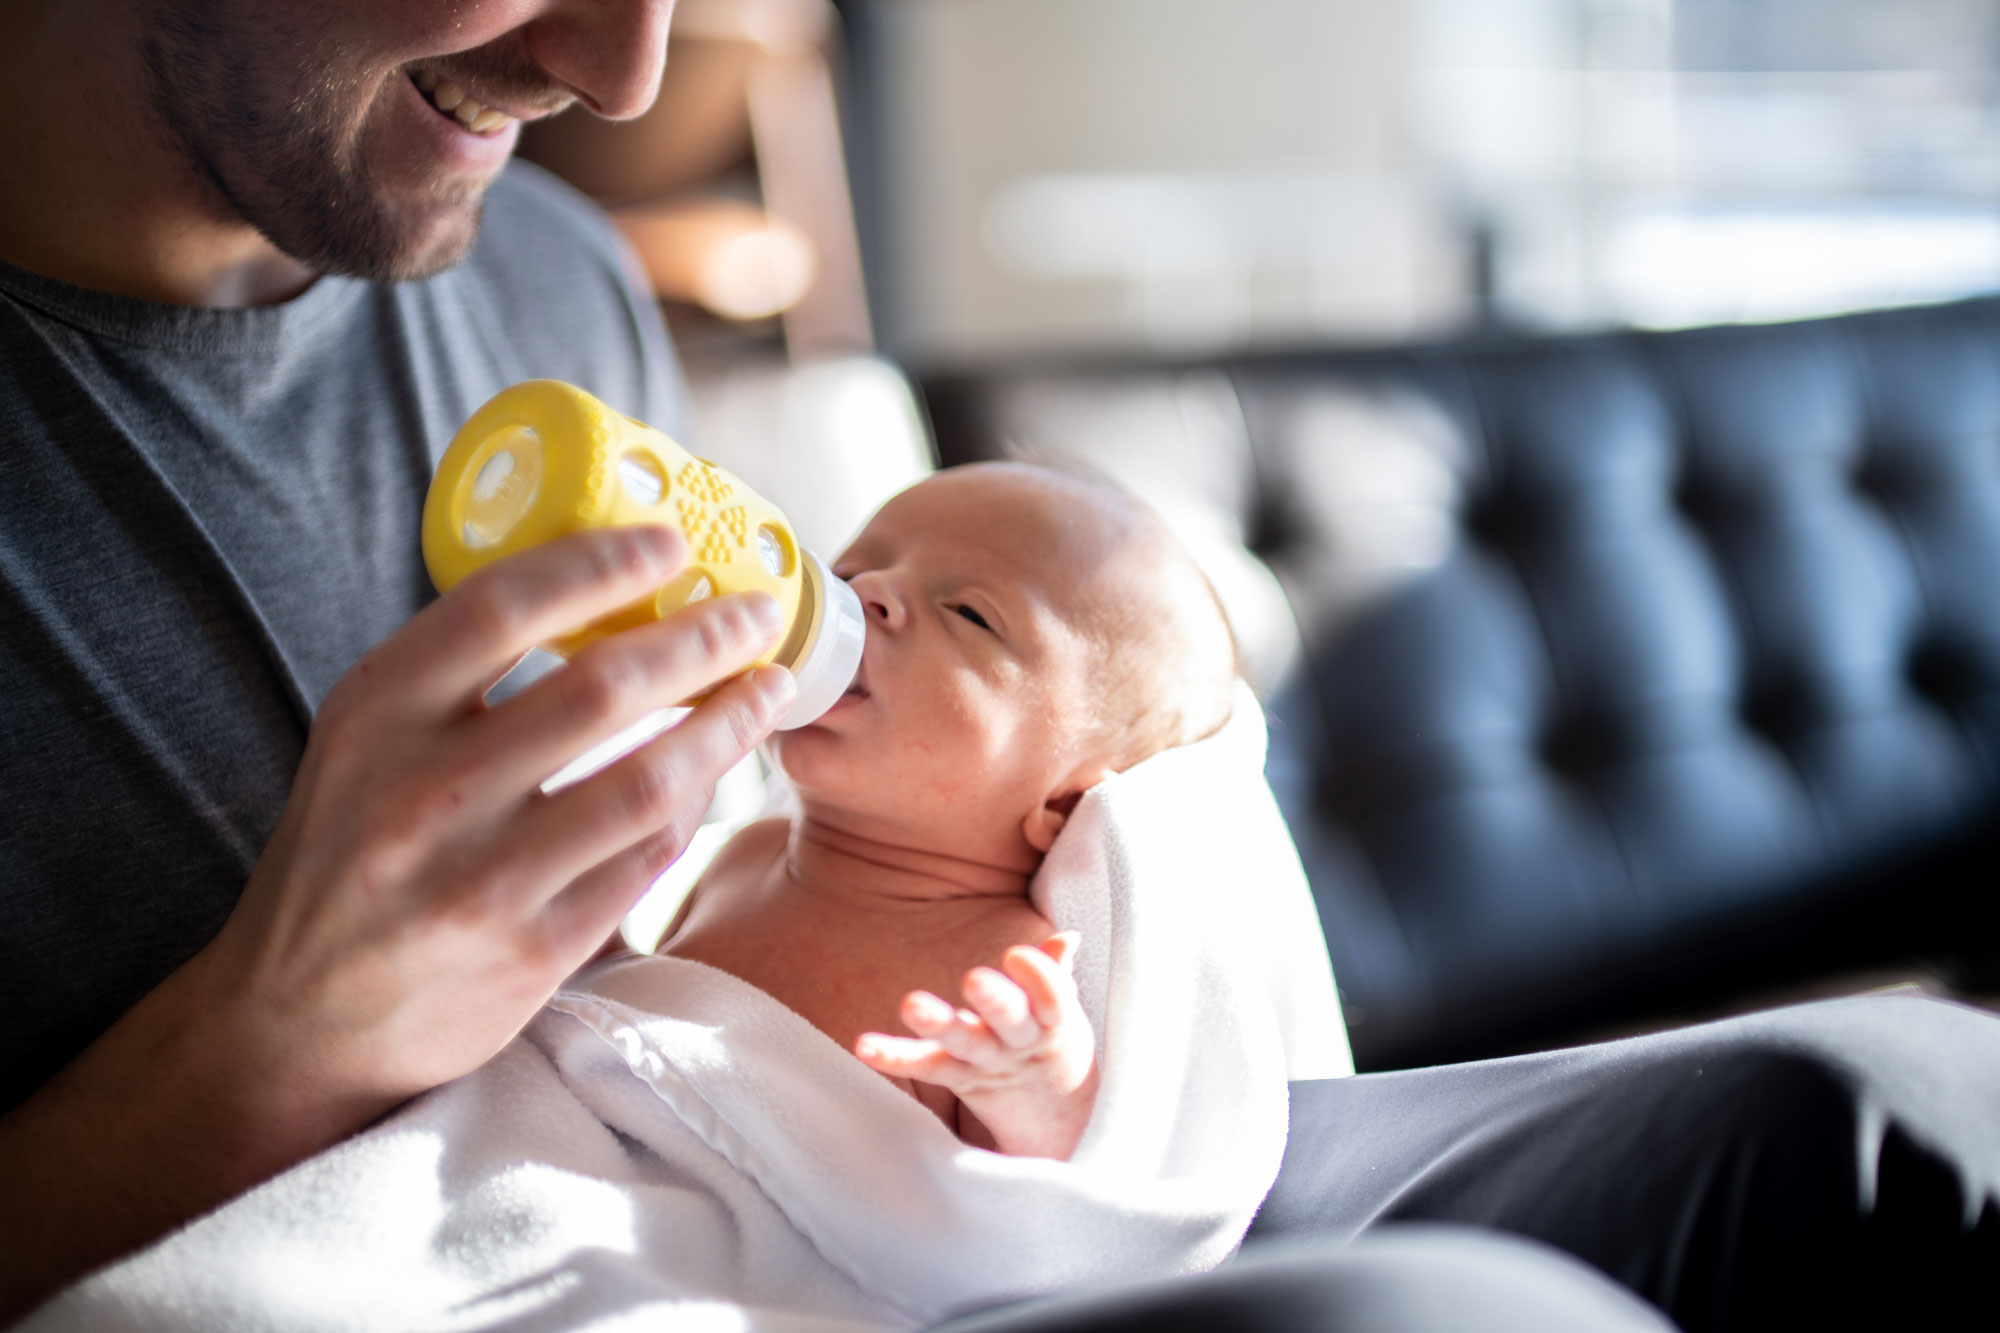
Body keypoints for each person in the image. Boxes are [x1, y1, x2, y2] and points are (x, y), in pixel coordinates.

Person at [1, 3, 1993, 1332]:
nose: (622, 71)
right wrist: (279, 1035)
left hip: (890, 1196)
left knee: (1904, 1098)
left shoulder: (540, 274)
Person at [661, 461, 1238, 1159]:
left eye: (968, 612)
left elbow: (1039, 1211)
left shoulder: (998, 973)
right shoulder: (742, 856)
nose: (868, 590)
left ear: (1063, 799)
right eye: (849, 570)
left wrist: (1040, 1095)